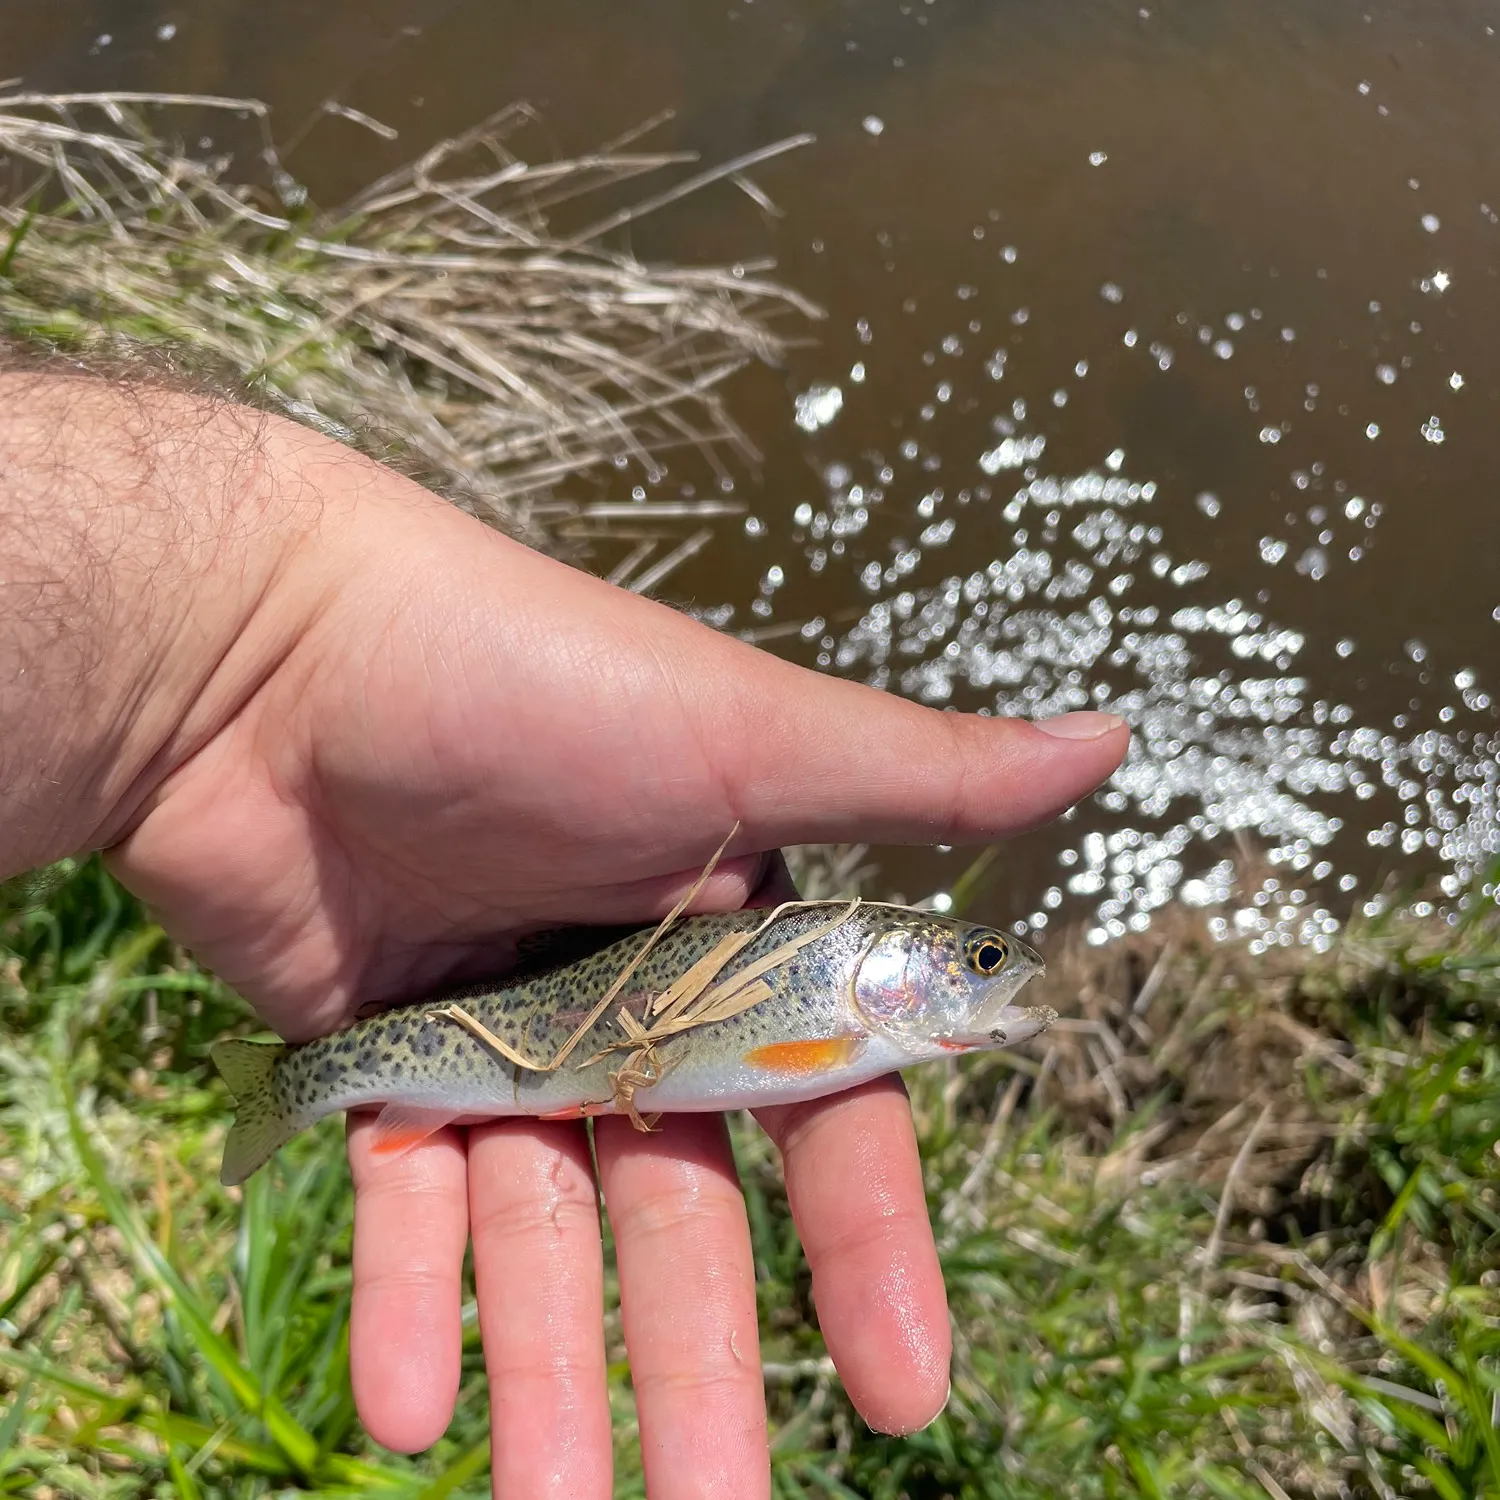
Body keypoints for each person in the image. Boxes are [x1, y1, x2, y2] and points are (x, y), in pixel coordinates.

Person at [0, 360, 1128, 1499]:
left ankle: (299, 1083)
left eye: (986, 963)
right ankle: (296, 1084)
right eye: (979, 963)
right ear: (892, 968)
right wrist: (253, 648)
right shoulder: (833, 1015)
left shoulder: (850, 1015)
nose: (997, 974)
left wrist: (242, 648)